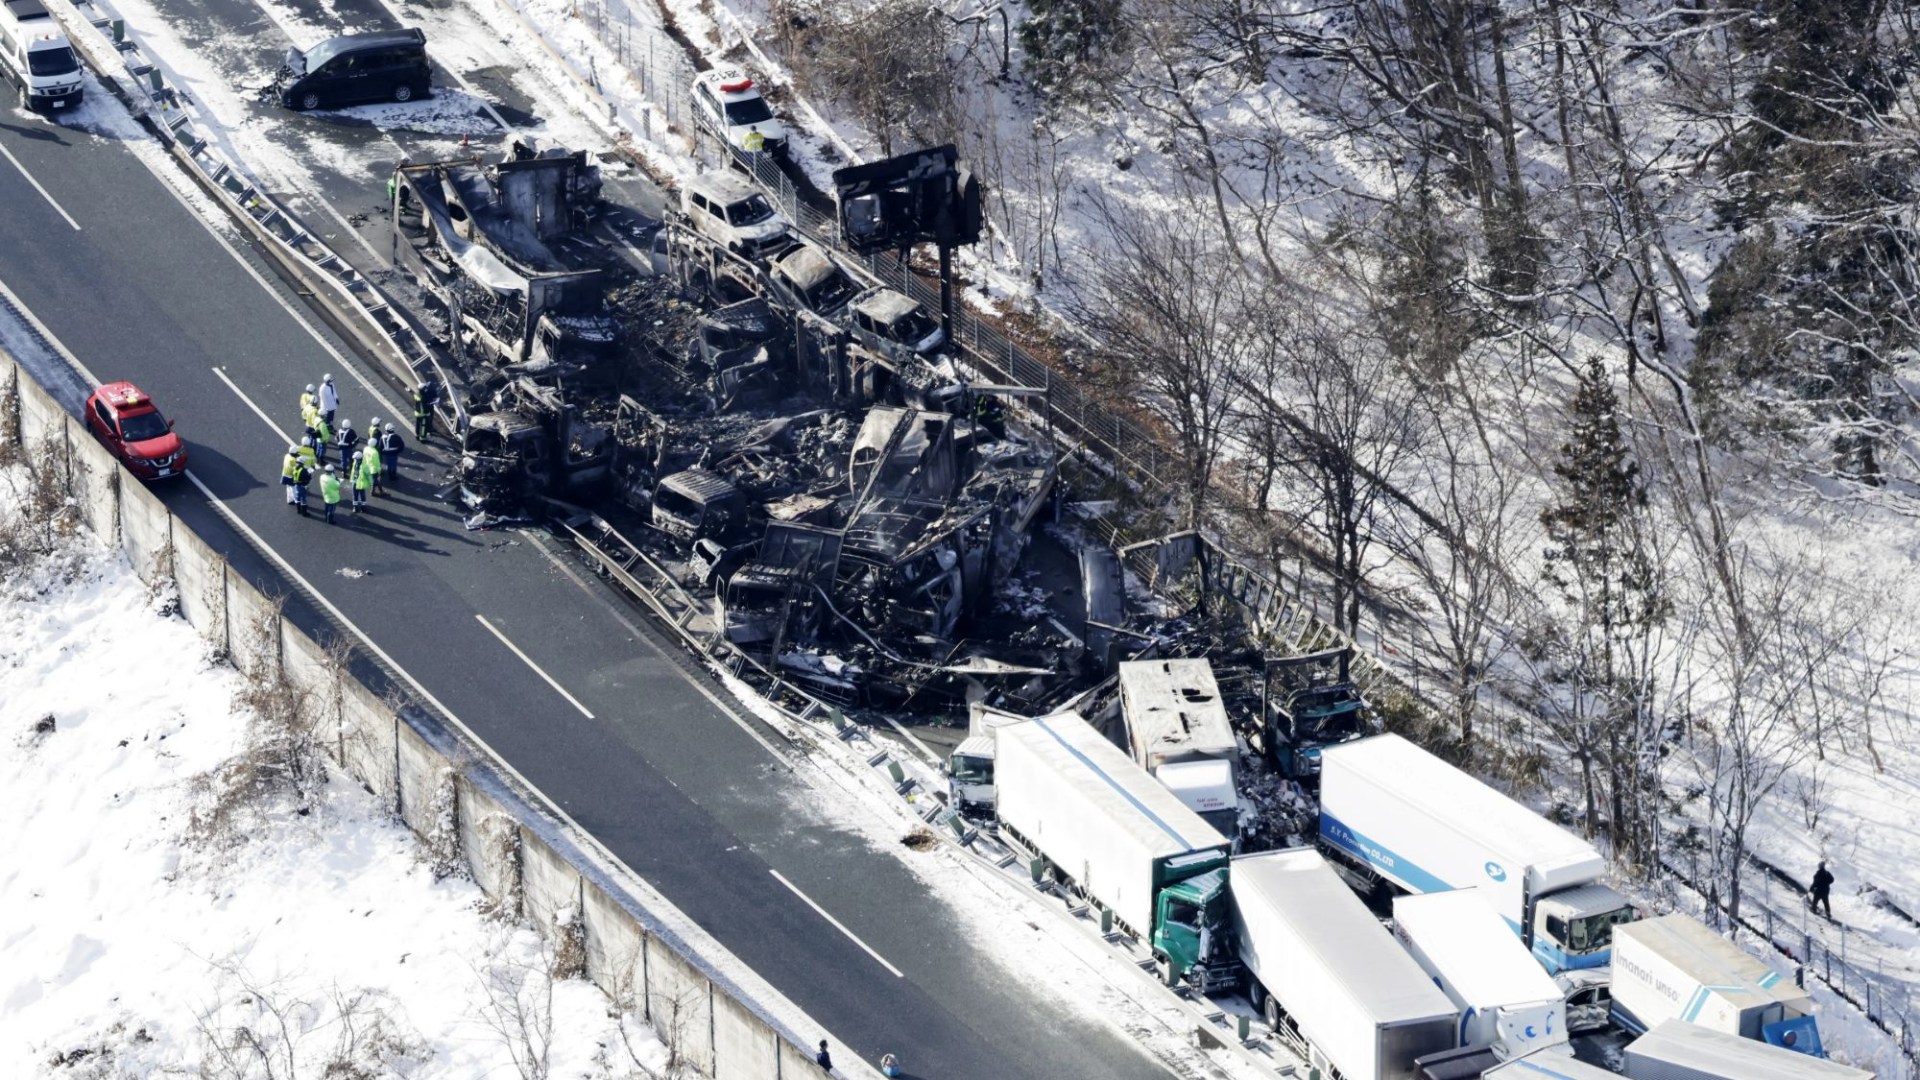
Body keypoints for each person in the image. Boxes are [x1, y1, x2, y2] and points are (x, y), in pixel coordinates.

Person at [379, 422, 404, 489]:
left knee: (388, 464)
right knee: (393, 464)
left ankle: (389, 473)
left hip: (386, 454)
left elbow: (380, 447)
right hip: (393, 454)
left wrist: (381, 453)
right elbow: (401, 446)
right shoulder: (396, 437)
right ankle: (393, 476)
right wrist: (398, 451)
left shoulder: (383, 437)